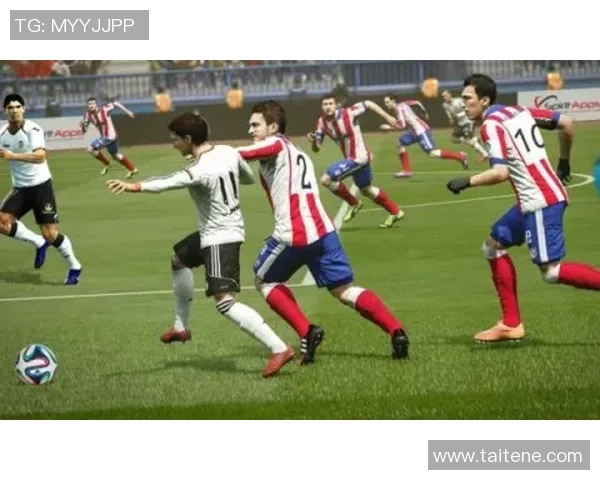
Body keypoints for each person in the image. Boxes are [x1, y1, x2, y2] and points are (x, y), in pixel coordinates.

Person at [105, 112, 294, 378]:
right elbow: (248, 178)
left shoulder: (199, 170)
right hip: (216, 230)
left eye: (175, 139)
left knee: (224, 303)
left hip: (220, 237)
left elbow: (167, 182)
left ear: (188, 139)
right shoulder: (228, 151)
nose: (172, 143)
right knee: (179, 259)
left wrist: (133, 186)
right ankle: (180, 328)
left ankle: (279, 348)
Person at [238, 100, 410, 365]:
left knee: (264, 281)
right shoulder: (296, 151)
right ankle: (396, 330)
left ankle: (307, 331)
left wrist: (210, 153)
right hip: (324, 231)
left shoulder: (276, 144)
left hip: (295, 233)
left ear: (273, 127)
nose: (250, 130)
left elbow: (243, 154)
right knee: (344, 290)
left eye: (255, 125)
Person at [446, 73, 600, 343]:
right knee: (492, 246)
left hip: (540, 201)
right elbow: (566, 123)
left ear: (484, 100)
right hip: (537, 197)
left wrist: (467, 181)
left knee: (550, 272)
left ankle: (511, 323)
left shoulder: (491, 125)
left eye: (468, 99)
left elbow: (500, 172)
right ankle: (510, 324)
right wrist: (564, 162)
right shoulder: (519, 111)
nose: (463, 104)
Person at [0, 93, 83, 285]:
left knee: (50, 234)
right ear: (5, 111)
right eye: (10, 108)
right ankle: (38, 242)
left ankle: (75, 266)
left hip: (40, 186)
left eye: (18, 107)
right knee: (2, 222)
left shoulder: (33, 129)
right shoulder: (2, 133)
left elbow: (40, 156)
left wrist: (13, 156)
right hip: (20, 188)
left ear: (23, 109)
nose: (14, 111)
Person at [309, 94, 405, 229]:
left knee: (326, 180)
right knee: (366, 190)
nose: (328, 107)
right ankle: (395, 211)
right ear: (321, 107)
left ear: (335, 105)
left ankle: (354, 203)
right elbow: (317, 148)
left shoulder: (348, 113)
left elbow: (369, 103)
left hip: (359, 158)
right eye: (325, 104)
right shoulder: (322, 122)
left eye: (330, 104)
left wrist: (388, 117)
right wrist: (314, 142)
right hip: (354, 159)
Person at [381, 94, 468, 178]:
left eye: (387, 102)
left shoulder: (398, 109)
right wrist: (424, 112)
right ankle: (407, 171)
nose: (386, 104)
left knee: (432, 153)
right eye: (385, 102)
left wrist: (389, 127)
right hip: (413, 132)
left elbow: (402, 125)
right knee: (399, 143)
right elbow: (417, 102)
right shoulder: (403, 104)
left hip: (421, 131)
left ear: (393, 101)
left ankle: (460, 156)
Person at [81, 97, 139, 177]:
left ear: (96, 104)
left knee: (90, 149)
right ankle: (133, 169)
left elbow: (115, 103)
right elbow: (84, 131)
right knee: (115, 155)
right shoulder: (87, 115)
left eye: (93, 103)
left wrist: (128, 111)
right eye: (89, 104)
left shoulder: (104, 109)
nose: (91, 105)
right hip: (106, 137)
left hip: (109, 136)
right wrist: (82, 127)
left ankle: (107, 164)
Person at [440, 90, 488, 160]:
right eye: (443, 96)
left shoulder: (458, 101)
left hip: (468, 121)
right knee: (454, 139)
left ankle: (484, 154)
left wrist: (458, 115)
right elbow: (448, 112)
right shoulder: (445, 105)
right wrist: (450, 118)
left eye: (446, 95)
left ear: (450, 95)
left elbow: (467, 109)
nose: (445, 97)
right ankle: (475, 139)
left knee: (469, 139)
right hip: (460, 123)